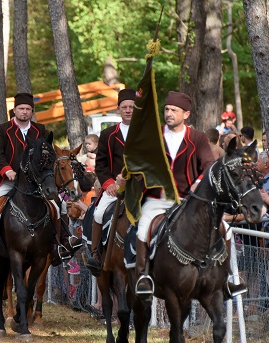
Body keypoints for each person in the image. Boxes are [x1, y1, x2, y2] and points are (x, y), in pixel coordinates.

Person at [130, 91, 215, 296]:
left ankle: (228, 278)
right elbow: (138, 163)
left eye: (174, 110)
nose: (169, 113)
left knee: (223, 228)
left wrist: (198, 183)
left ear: (186, 114)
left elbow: (210, 164)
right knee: (143, 228)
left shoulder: (198, 138)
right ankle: (143, 277)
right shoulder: (154, 136)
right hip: (158, 198)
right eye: (167, 109)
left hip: (189, 200)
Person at [0, 92, 47, 264]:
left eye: (28, 109)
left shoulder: (40, 130)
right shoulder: (3, 129)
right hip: (7, 180)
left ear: (32, 112)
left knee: (57, 204)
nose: (24, 112)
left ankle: (60, 242)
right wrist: (7, 170)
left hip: (34, 183)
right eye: (21, 108)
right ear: (14, 110)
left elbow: (45, 154)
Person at [85, 88, 136, 276]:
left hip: (141, 188)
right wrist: (109, 184)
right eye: (125, 107)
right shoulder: (108, 134)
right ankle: (96, 254)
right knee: (98, 213)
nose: (128, 110)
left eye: (132, 106)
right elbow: (101, 164)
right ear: (118, 109)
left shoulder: (146, 133)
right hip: (115, 187)